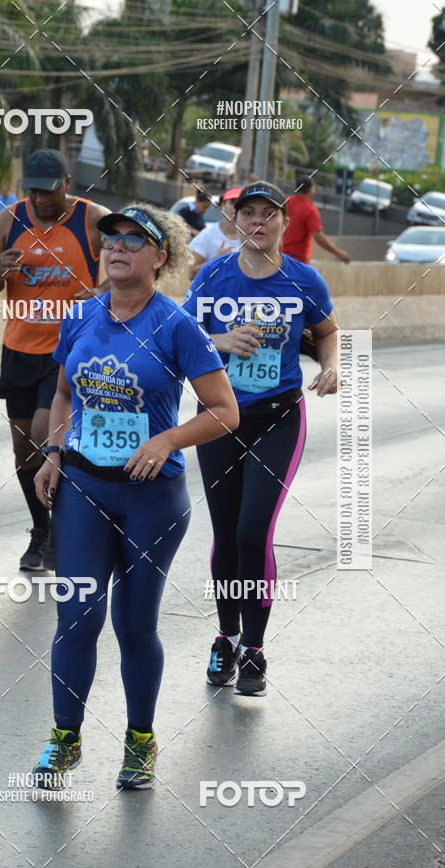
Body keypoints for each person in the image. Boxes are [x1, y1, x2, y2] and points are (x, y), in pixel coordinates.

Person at [31, 204, 238, 789]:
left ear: (160, 256)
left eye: (133, 240)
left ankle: (140, 740)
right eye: (111, 239)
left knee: (134, 624)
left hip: (152, 499)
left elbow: (225, 411)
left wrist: (167, 439)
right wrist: (54, 451)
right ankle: (65, 739)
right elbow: (64, 392)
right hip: (84, 489)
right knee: (76, 618)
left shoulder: (177, 326)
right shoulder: (80, 315)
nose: (117, 247)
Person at [183, 181, 338, 696]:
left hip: (278, 419)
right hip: (219, 418)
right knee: (226, 533)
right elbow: (178, 335)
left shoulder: (304, 280)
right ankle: (226, 637)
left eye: (268, 214)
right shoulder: (213, 276)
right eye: (247, 213)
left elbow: (328, 331)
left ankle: (254, 648)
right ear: (236, 222)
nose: (257, 222)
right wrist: (220, 339)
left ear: (284, 224)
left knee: (254, 532)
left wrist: (332, 365)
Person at [0, 149, 110, 571]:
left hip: (69, 350)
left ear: (67, 185)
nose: (38, 199)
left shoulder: (93, 219)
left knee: (43, 432)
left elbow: (137, 259)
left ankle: (67, 529)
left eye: (47, 191)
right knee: (23, 448)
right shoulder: (10, 219)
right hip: (19, 349)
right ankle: (43, 529)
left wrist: (101, 292)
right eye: (32, 190)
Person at [282, 176, 351, 265]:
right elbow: (318, 237)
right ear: (310, 190)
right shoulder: (310, 210)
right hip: (298, 261)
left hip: (279, 257)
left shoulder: (285, 202)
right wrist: (339, 253)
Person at [188, 186, 243, 279]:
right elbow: (190, 273)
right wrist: (217, 260)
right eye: (233, 203)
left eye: (241, 204)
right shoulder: (207, 235)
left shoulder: (255, 238)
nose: (237, 208)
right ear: (223, 204)